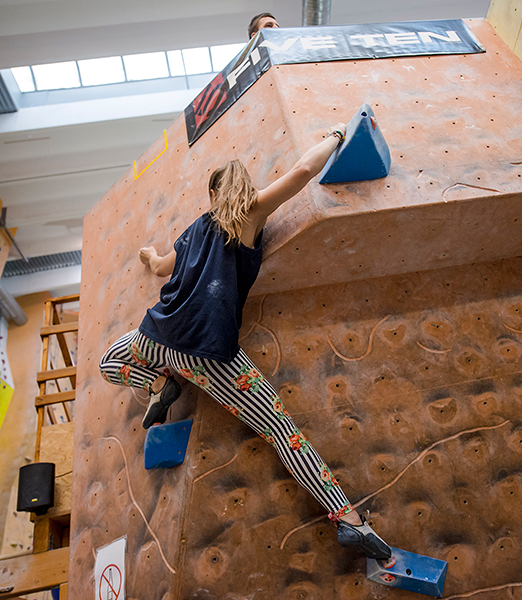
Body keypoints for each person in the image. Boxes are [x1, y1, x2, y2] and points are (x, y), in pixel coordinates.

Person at [99, 122, 392, 560]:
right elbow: (300, 172)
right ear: (243, 189)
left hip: (155, 338)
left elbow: (161, 267)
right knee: (281, 432)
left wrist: (147, 256)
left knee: (108, 363)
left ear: (213, 194)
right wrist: (335, 135)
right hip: (208, 357)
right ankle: (348, 520)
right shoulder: (249, 215)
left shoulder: (195, 229)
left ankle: (159, 386)